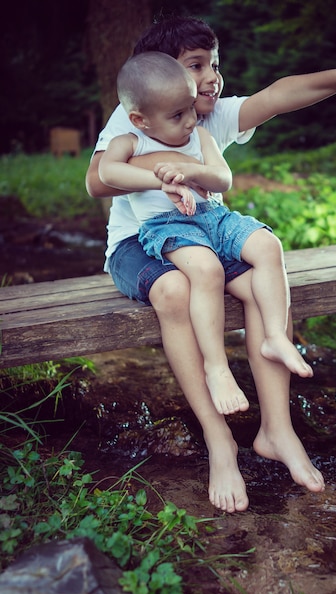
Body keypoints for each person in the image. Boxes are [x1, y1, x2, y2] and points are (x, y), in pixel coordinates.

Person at [86, 15, 336, 513]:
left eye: (214, 64)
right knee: (174, 290)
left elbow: (280, 94)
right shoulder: (142, 113)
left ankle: (277, 431)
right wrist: (160, 172)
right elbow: (97, 180)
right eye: (196, 66)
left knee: (262, 278)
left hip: (205, 231)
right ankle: (220, 441)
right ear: (163, 75)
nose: (211, 77)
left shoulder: (206, 115)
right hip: (140, 242)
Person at [98, 51, 313, 418]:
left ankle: (275, 336)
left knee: (267, 244)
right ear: (140, 119)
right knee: (207, 269)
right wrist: (159, 179)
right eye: (177, 114)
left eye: (190, 109)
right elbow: (106, 174)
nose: (190, 120)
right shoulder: (131, 141)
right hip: (168, 226)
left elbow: (223, 178)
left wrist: (189, 169)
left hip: (214, 216)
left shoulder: (198, 135)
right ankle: (217, 366)